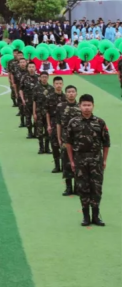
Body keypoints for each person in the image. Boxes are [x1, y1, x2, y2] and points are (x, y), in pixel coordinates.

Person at [66, 94, 110, 227]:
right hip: (80, 159)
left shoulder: (100, 122)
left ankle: (96, 216)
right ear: (80, 106)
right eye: (84, 105)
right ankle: (86, 216)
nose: (86, 108)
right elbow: (68, 143)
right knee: (83, 187)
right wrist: (72, 161)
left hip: (96, 159)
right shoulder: (73, 122)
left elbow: (106, 143)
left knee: (96, 188)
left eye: (89, 105)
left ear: (93, 106)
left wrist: (104, 160)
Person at [57, 85, 80, 196]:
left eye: (73, 92)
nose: (71, 93)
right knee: (66, 163)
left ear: (76, 93)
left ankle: (77, 187)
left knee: (78, 163)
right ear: (65, 94)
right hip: (66, 139)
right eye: (69, 92)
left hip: (78, 140)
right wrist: (58, 138)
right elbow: (58, 124)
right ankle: (68, 187)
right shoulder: (61, 106)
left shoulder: (80, 106)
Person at [47, 76, 66, 173]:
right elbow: (47, 112)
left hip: (64, 124)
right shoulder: (49, 97)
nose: (58, 85)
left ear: (62, 84)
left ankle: (64, 166)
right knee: (54, 146)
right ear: (53, 84)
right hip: (54, 123)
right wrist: (48, 125)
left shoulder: (65, 97)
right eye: (56, 83)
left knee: (64, 146)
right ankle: (57, 166)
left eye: (60, 83)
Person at [32, 72, 53, 155]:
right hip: (39, 112)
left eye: (45, 77)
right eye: (42, 77)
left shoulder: (51, 88)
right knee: (39, 131)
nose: (44, 79)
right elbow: (34, 101)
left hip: (48, 113)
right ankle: (41, 148)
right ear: (40, 78)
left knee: (48, 131)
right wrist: (34, 113)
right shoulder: (36, 88)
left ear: (48, 78)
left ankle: (47, 148)